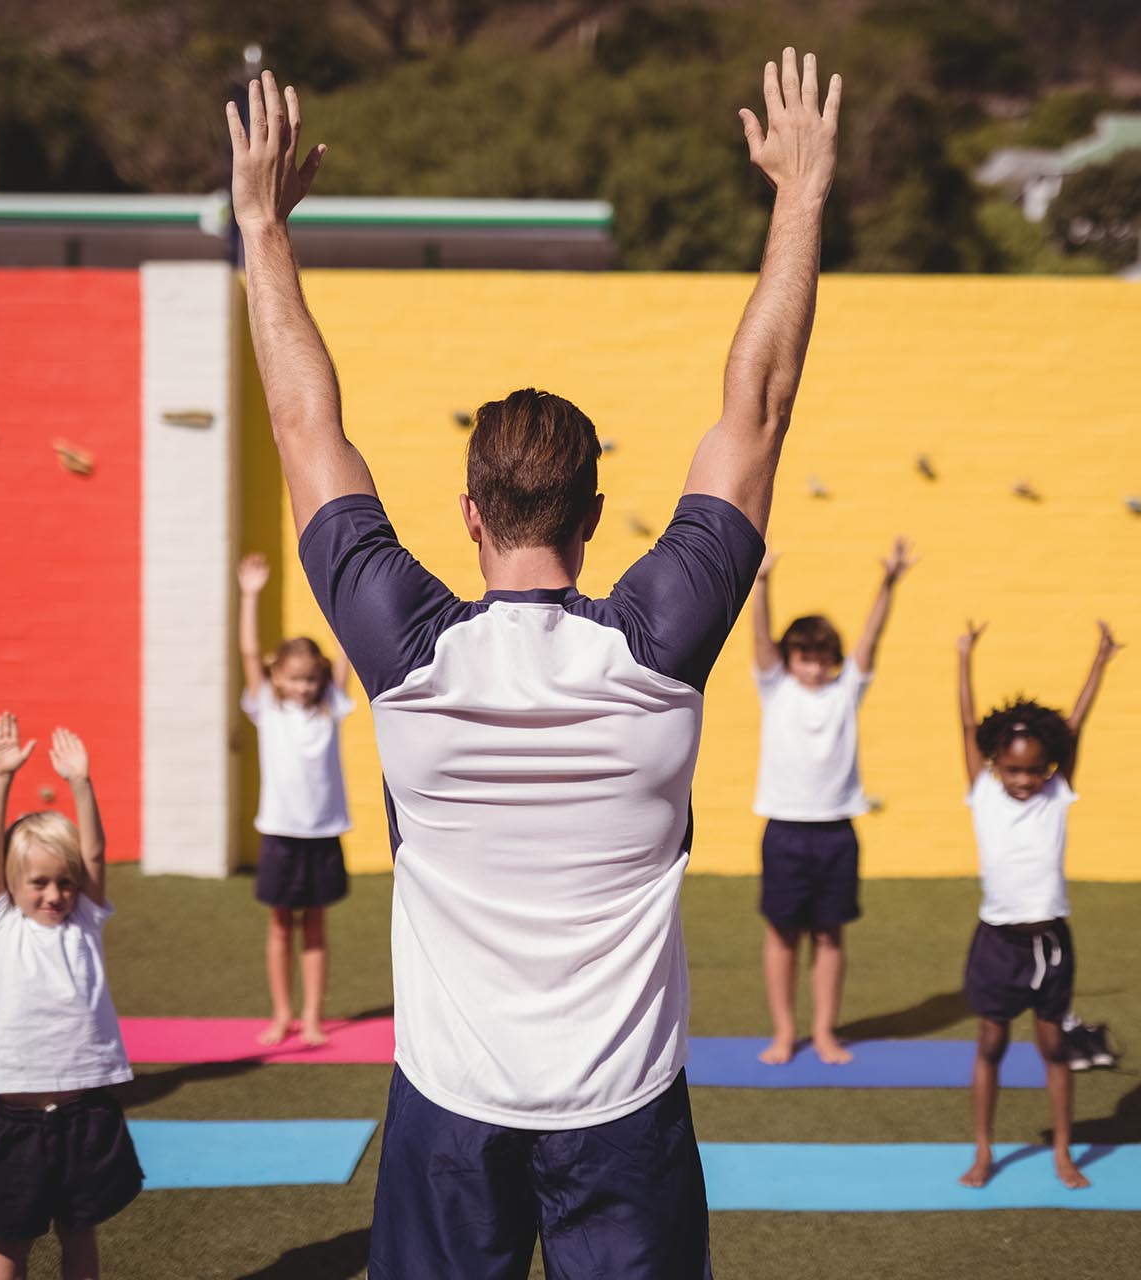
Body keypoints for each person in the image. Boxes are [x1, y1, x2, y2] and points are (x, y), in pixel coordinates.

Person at [228, 47, 841, 1278]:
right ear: (596, 511)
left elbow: (305, 423)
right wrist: (802, 190)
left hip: (449, 1105)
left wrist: (261, 221)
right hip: (623, 1108)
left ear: (468, 510)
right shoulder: (659, 645)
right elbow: (758, 403)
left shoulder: (406, 649)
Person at [0, 713, 140, 1280]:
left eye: (64, 881)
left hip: (84, 1116)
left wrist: (81, 782)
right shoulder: (0, 923)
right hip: (16, 1122)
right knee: (13, 1241)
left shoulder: (85, 919)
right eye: (39, 883)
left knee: (79, 1231)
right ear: (13, 885)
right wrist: (0, 777)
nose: (54, 894)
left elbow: (97, 856)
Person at [954, 618, 1120, 1190]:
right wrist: (963, 657)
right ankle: (982, 1150)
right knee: (992, 1044)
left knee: (1054, 1049)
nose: (1024, 779)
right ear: (994, 761)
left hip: (1051, 943)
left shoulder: (1056, 792)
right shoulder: (981, 789)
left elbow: (1075, 726)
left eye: (1034, 769)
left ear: (1048, 766)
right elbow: (966, 722)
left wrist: (1100, 662)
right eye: (1013, 768)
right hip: (997, 943)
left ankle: (1063, 1152)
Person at [749, 537, 916, 1066]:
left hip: (837, 831)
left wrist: (888, 583)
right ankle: (783, 1032)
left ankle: (823, 1032)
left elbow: (872, 637)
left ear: (835, 662)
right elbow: (759, 640)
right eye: (805, 657)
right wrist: (761, 582)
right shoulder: (775, 687)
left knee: (829, 935)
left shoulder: (847, 691)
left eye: (824, 659)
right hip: (784, 830)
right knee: (782, 934)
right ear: (789, 658)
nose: (815, 668)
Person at [236, 552, 355, 1047]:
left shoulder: (331, 705)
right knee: (281, 925)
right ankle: (282, 1013)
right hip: (281, 834)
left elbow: (346, 648)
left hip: (323, 833)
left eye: (310, 678)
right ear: (277, 676)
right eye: (293, 678)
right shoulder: (267, 707)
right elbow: (247, 652)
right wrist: (250, 595)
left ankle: (311, 1017)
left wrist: (340, 590)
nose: (303, 687)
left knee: (316, 928)